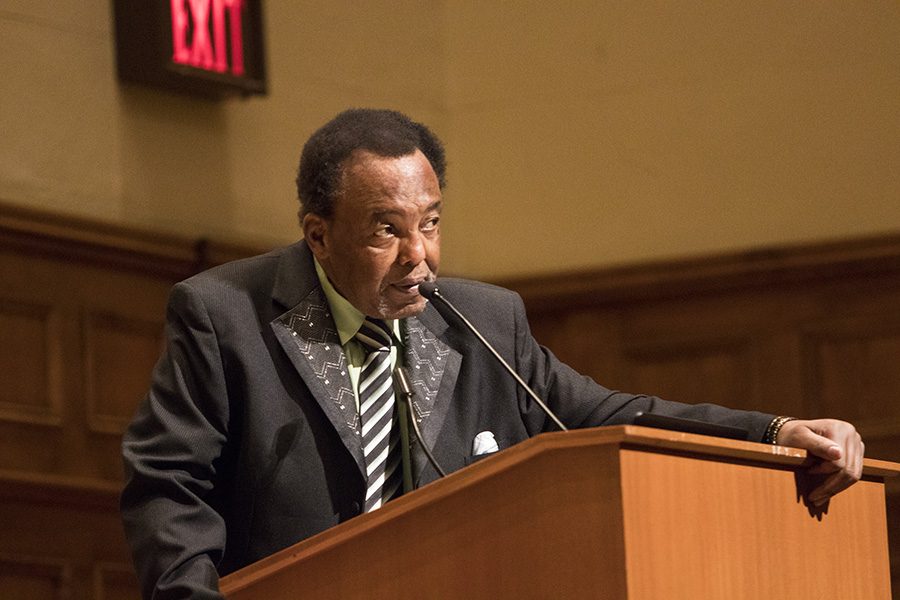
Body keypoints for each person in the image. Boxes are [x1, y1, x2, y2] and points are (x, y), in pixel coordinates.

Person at [120, 108, 864, 599]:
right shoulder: (225, 315)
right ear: (318, 234)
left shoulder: (484, 320)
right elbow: (167, 485)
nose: (420, 255)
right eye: (386, 230)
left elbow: (600, 416)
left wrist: (772, 433)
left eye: (432, 223)